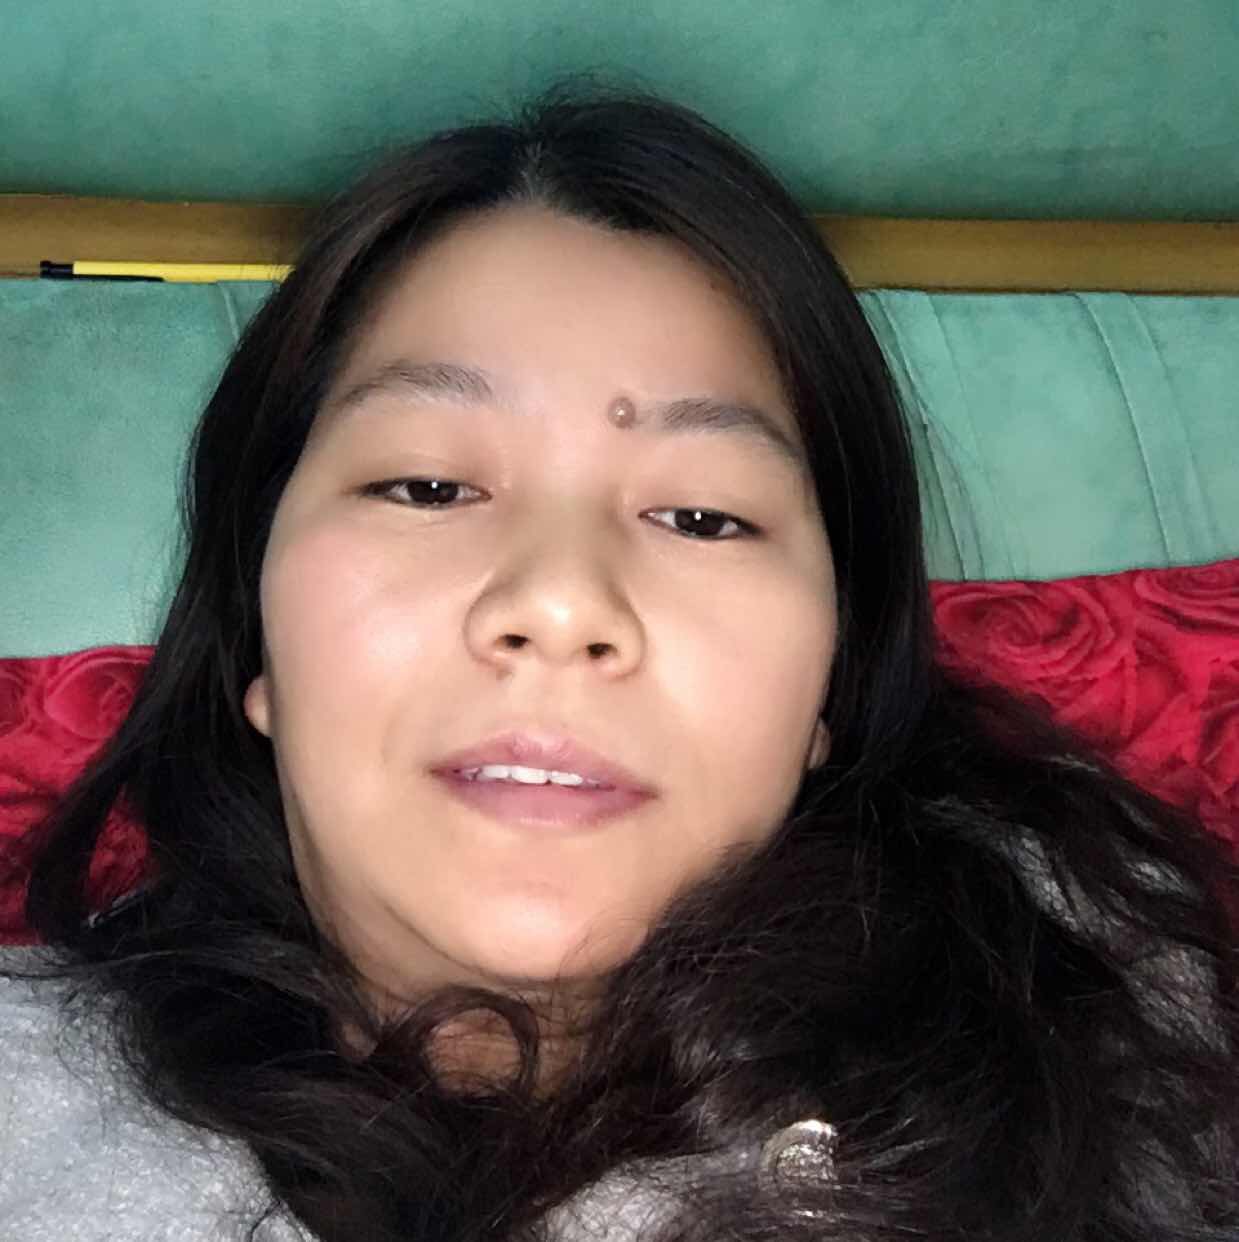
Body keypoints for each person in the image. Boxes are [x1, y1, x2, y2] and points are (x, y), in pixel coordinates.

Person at [2, 72, 1237, 1241]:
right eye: (426, 486)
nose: (558, 602)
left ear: (832, 677)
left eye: (702, 516)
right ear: (255, 633)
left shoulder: (1132, 1083)